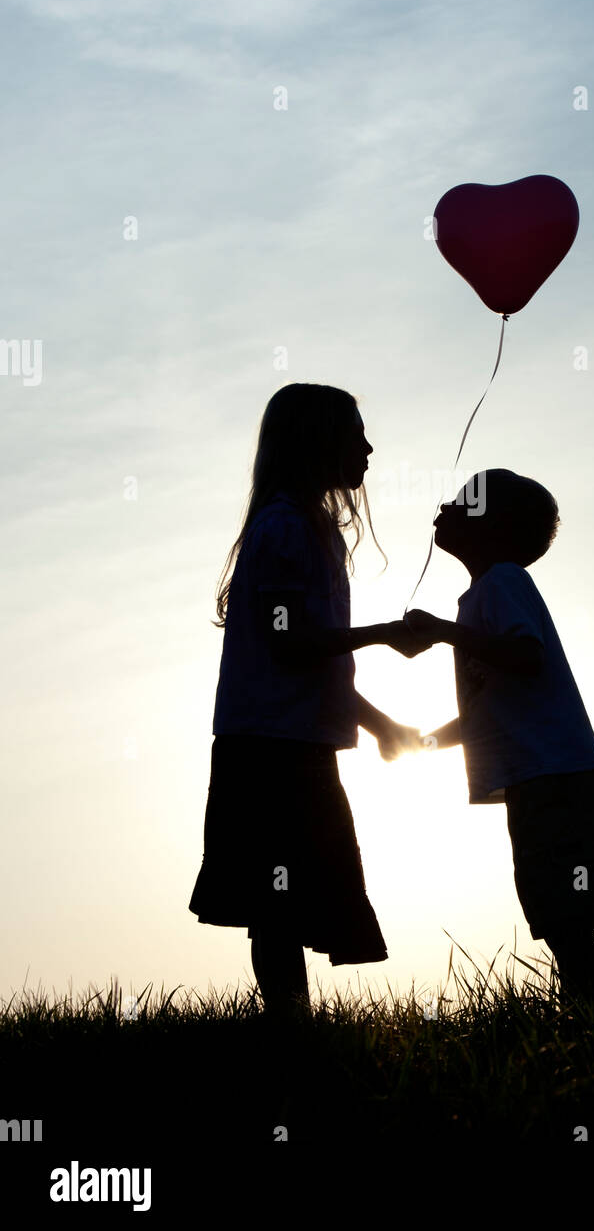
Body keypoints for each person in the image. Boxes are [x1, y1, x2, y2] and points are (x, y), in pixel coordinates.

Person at [188, 383, 431, 1016]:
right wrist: (382, 636)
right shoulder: (286, 528)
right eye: (355, 433)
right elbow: (292, 642)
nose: (369, 447)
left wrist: (378, 725)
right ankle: (290, 1028)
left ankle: (290, 1027)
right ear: (315, 442)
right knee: (277, 903)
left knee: (286, 898)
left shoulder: (307, 528)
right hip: (271, 747)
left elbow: (309, 665)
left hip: (290, 741)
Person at [406, 469, 594, 1027]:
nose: (445, 505)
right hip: (542, 779)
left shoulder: (502, 583)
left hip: (558, 779)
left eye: (462, 500)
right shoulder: (483, 594)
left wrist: (443, 633)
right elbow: (489, 711)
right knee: (555, 915)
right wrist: (419, 741)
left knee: (566, 918)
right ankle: (589, 1028)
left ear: (492, 527)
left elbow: (525, 657)